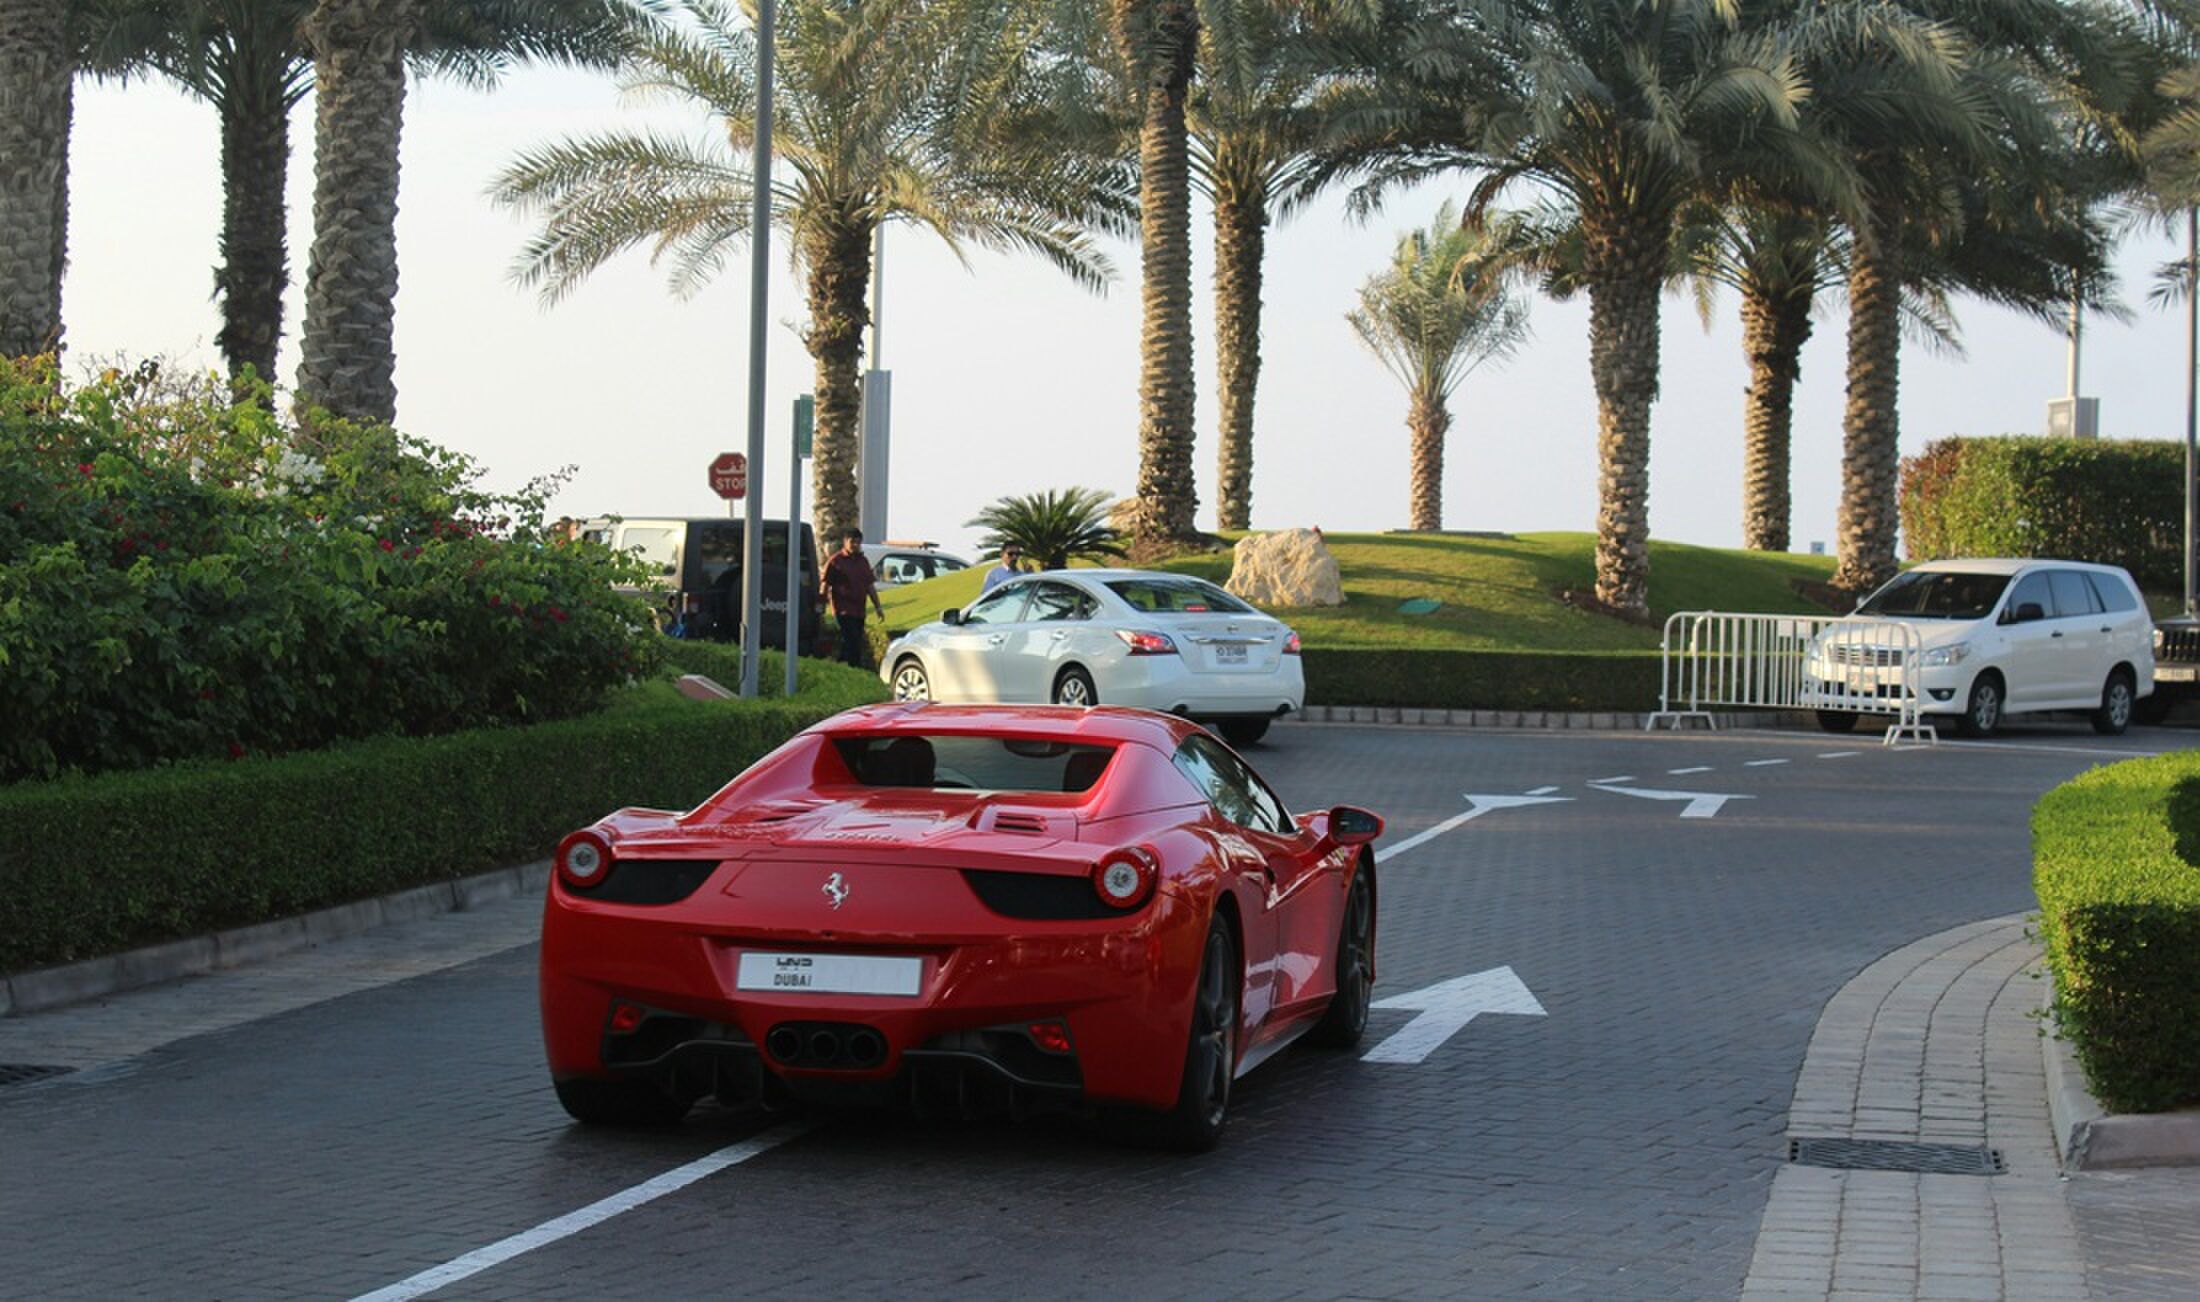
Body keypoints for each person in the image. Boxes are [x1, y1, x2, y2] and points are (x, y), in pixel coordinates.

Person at [820, 528, 885, 668]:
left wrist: (878, 607)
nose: (855, 545)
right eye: (852, 541)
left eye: (858, 542)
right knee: (851, 640)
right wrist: (820, 605)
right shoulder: (836, 561)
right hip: (842, 609)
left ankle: (840, 665)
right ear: (845, 542)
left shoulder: (863, 562)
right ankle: (854, 667)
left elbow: (870, 587)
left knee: (853, 641)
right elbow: (825, 585)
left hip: (859, 610)